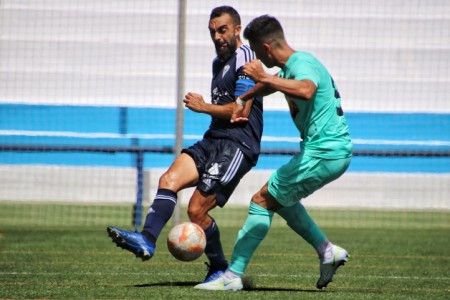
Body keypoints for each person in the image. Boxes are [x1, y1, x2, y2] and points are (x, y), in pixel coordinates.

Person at [195, 14, 353, 291]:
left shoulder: (301, 65)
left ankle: (232, 277)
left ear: (265, 48)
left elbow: (305, 90)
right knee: (282, 199)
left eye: (255, 50)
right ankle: (327, 251)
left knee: (261, 200)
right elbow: (270, 85)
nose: (254, 55)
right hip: (327, 152)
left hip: (325, 152)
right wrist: (245, 96)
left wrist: (263, 76)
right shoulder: (293, 66)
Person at [106, 6, 263, 283]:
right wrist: (208, 110)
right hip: (213, 139)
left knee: (196, 210)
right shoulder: (218, 63)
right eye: (212, 31)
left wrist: (204, 106)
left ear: (237, 30)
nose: (217, 37)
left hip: (238, 145)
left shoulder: (246, 59)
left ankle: (220, 268)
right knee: (168, 179)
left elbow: (241, 112)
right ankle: (147, 239)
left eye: (222, 30)